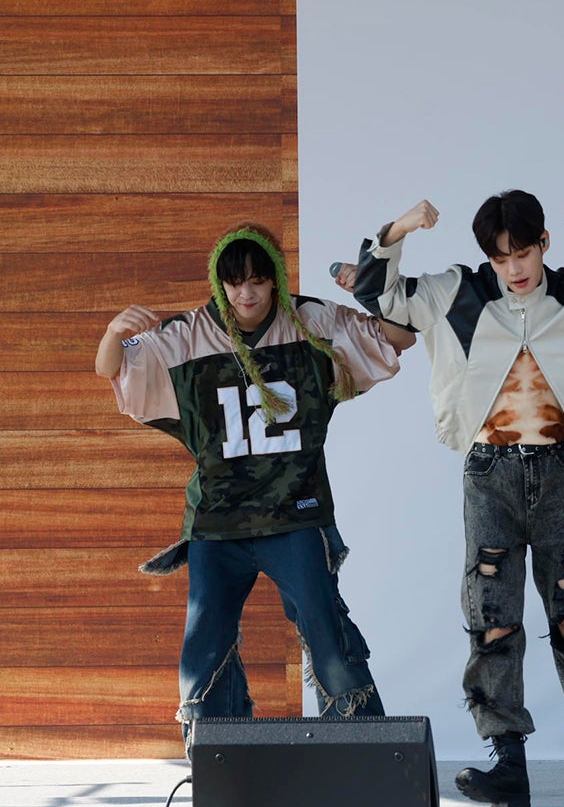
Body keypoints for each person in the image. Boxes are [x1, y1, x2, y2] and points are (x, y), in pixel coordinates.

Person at [352, 191, 564, 807]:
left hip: (555, 467)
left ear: (544, 244)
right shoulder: (457, 292)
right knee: (493, 617)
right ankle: (508, 764)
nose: (514, 267)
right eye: (501, 257)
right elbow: (379, 294)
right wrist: (398, 229)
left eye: (523, 252)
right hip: (488, 471)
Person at [94, 223, 413, 751]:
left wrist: (373, 294)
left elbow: (398, 339)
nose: (247, 293)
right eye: (235, 282)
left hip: (295, 512)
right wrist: (112, 334)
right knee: (206, 642)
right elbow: (113, 371)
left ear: (275, 280)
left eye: (258, 281)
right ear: (220, 283)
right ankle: (217, 757)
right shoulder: (189, 333)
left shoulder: (311, 320)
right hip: (218, 519)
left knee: (326, 630)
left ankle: (362, 753)